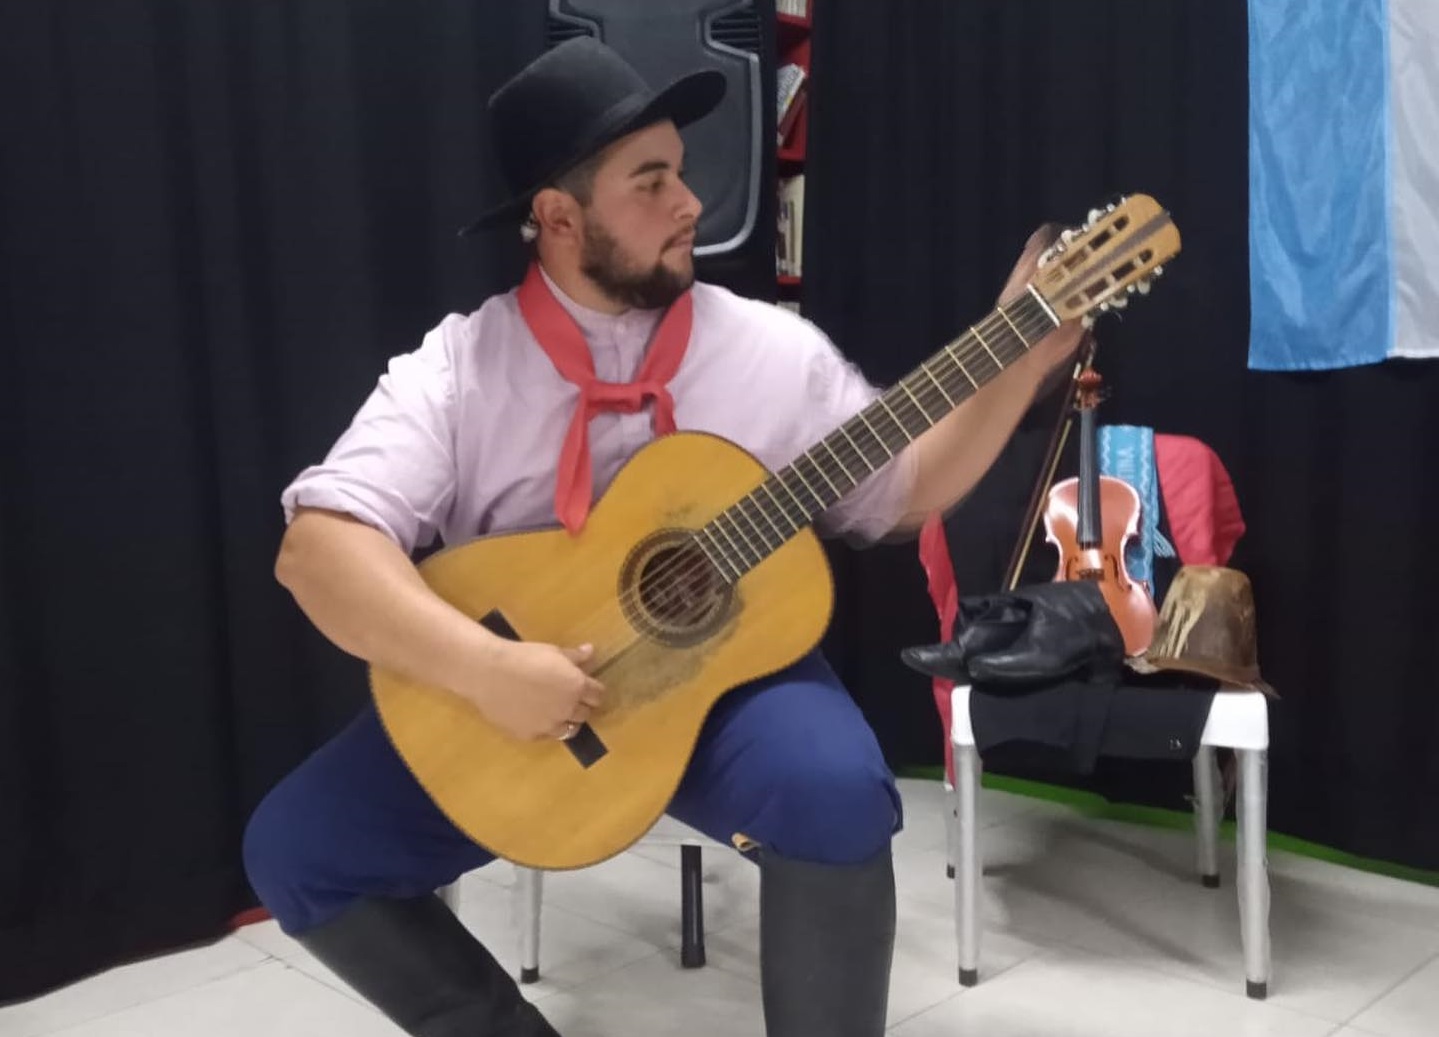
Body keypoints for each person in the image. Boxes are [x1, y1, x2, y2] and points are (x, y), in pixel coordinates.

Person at [242, 37, 1083, 1037]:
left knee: (837, 788)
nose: (690, 204)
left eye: (680, 174)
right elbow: (319, 549)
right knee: (297, 845)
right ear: (557, 218)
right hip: (511, 703)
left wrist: (1018, 361)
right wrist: (483, 666)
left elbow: (901, 493)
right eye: (651, 183)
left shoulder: (766, 351)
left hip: (724, 691)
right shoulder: (457, 370)